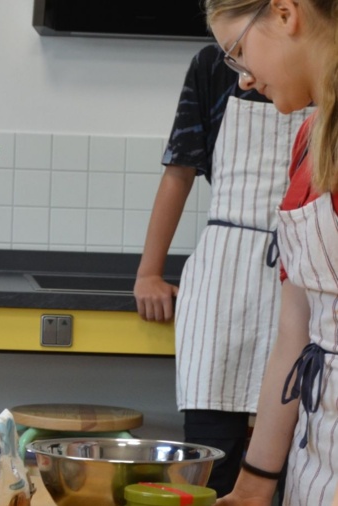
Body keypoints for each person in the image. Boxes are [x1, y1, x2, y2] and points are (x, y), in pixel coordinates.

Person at [133, 43, 312, 496]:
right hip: (223, 281)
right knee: (211, 464)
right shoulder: (213, 66)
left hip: (306, 274)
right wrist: (148, 272)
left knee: (298, 461)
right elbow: (180, 169)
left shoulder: (320, 65)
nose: (247, 76)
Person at [202, 0, 338, 504]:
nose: (242, 79)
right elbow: (293, 333)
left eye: (238, 54)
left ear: (286, 13)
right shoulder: (310, 139)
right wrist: (254, 485)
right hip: (315, 452)